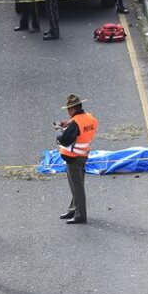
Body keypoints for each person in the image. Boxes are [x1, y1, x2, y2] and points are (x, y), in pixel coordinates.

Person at [56, 95, 98, 224]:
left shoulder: (75, 123)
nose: (68, 112)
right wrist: (67, 126)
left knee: (77, 188)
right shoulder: (90, 118)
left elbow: (64, 140)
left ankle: (80, 215)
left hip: (73, 158)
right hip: (83, 155)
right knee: (77, 185)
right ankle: (73, 209)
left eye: (68, 109)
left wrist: (60, 132)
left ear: (73, 108)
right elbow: (82, 131)